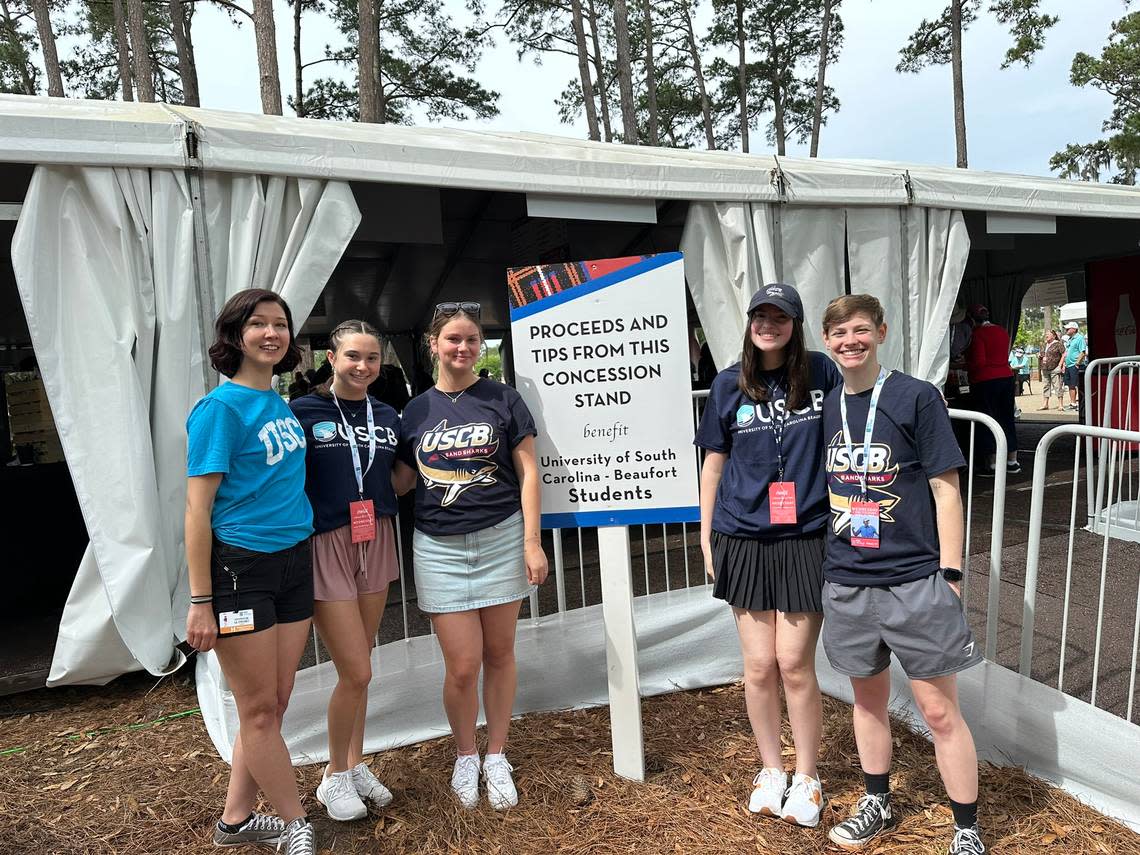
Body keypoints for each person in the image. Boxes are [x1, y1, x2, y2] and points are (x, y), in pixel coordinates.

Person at [819, 294, 986, 855]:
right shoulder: (826, 406)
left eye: (861, 330)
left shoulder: (916, 396)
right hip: (848, 578)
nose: (850, 341)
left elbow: (946, 488)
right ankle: (877, 801)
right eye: (840, 333)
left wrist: (952, 570)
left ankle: (966, 829)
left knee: (939, 710)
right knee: (866, 701)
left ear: (882, 332)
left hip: (915, 578)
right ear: (827, 341)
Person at [695, 283, 842, 828]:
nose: (768, 324)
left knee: (794, 664)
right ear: (750, 322)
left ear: (795, 324)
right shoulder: (728, 383)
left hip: (807, 534)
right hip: (743, 535)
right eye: (761, 315)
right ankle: (771, 770)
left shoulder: (821, 373)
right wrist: (707, 536)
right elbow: (713, 463)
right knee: (757, 666)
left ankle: (808, 775)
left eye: (780, 317)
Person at [393, 301, 549, 810]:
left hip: (503, 538)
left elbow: (528, 470)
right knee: (462, 665)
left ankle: (497, 753)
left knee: (501, 653)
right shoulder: (413, 412)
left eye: (472, 341)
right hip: (437, 547)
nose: (463, 348)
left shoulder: (503, 399)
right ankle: (466, 754)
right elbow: (400, 479)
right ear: (433, 345)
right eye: (453, 340)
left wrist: (531, 540)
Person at [184, 288, 316, 855]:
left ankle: (234, 822)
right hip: (241, 569)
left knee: (274, 703)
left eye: (280, 324)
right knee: (259, 708)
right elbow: (196, 510)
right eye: (258, 324)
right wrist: (199, 599)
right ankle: (295, 824)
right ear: (235, 335)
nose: (271, 333)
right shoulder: (220, 410)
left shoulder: (279, 402)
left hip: (294, 560)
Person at [290, 320, 402, 822]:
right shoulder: (302, 412)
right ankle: (334, 776)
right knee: (356, 669)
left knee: (358, 671)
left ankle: (353, 764)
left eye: (372, 358)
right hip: (326, 541)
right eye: (353, 356)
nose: (363, 367)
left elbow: (398, 476)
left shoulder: (387, 414)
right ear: (331, 358)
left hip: (375, 535)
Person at [964, 305, 1019, 475]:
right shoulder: (1002, 331)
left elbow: (979, 362)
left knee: (987, 420)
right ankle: (1012, 461)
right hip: (1006, 377)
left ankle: (992, 463)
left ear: (973, 319)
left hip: (985, 381)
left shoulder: (977, 334)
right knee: (1007, 418)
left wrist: (963, 365)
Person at [1063, 321, 1088, 411]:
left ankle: (1081, 403)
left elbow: (1083, 352)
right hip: (1069, 366)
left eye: (1068, 328)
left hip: (1076, 366)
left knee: (1077, 384)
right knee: (1070, 385)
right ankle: (1073, 403)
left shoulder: (1080, 338)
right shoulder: (1070, 339)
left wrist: (1077, 363)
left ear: (1074, 329)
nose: (1066, 330)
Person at [1039, 330, 1065, 411]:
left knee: (1057, 386)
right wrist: (1040, 355)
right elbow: (1042, 353)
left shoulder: (1058, 344)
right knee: (1046, 386)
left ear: (1053, 336)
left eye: (1048, 334)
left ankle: (1060, 404)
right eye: (1046, 334)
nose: (1046, 336)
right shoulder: (1044, 344)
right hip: (1045, 368)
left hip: (1054, 368)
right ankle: (1045, 404)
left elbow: (1064, 354)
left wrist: (1060, 365)